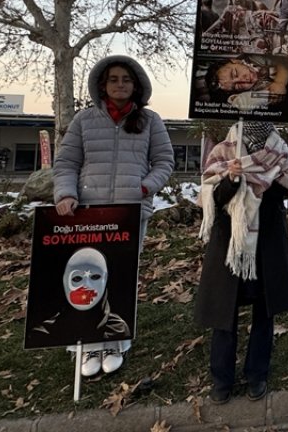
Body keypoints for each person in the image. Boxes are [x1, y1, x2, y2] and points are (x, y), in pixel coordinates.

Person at [53, 55, 175, 375]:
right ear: (103, 85)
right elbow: (66, 163)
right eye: (114, 79)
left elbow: (164, 162)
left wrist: (146, 188)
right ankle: (86, 344)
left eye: (126, 80)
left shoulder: (150, 121)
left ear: (136, 86)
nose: (120, 85)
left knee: (120, 279)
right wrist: (66, 194)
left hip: (130, 214)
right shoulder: (84, 120)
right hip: (87, 214)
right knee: (86, 278)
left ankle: (114, 341)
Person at [195, 122, 288, 403]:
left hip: (267, 242)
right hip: (231, 242)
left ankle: (257, 375)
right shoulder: (222, 151)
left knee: (265, 312)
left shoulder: (281, 152)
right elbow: (211, 197)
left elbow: (287, 189)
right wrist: (232, 179)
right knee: (224, 313)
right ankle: (221, 379)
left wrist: (262, 180)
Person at [204, 56, 288, 110]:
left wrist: (280, 82)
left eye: (235, 73)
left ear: (236, 61)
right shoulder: (251, 93)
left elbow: (281, 63)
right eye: (237, 86)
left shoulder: (254, 58)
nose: (243, 80)